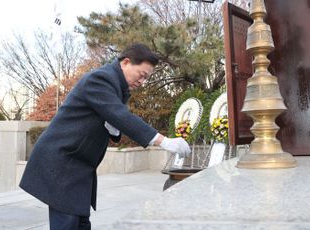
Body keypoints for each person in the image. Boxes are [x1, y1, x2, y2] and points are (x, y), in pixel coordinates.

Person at [19, 43, 191, 230]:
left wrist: (113, 126)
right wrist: (164, 141)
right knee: (67, 223)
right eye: (142, 75)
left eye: (146, 78)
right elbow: (120, 116)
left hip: (78, 165)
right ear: (126, 62)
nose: (142, 82)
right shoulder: (100, 79)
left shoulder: (117, 87)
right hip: (63, 162)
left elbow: (113, 120)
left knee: (81, 222)